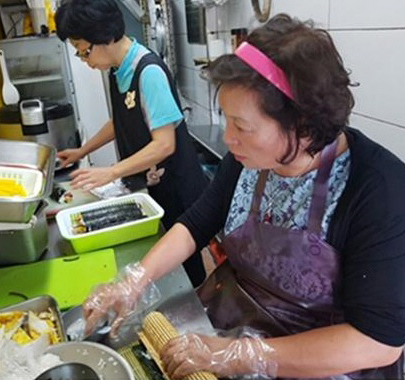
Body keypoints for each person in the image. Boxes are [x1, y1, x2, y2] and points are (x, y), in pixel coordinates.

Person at [81, 13, 405, 379]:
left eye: (242, 126)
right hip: (235, 322)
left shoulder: (378, 189)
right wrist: (135, 279)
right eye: (225, 119)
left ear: (301, 124)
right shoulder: (248, 160)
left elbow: (378, 341)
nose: (228, 138)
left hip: (321, 362)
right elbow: (197, 222)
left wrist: (244, 355)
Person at [54, 0, 208, 287]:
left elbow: (164, 145)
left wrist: (111, 172)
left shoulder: (148, 72)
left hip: (176, 187)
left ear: (107, 36)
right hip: (150, 187)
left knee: (185, 262)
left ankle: (198, 307)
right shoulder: (117, 69)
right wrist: (82, 151)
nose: (85, 61)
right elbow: (120, 121)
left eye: (85, 52)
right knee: (160, 257)